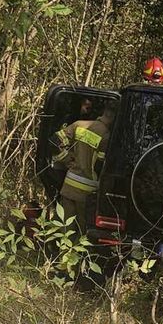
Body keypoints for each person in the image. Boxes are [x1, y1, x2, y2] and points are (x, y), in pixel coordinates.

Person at [55, 97, 115, 235]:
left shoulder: (79, 125)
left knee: (65, 229)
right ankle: (76, 256)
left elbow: (54, 142)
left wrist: (68, 160)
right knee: (82, 233)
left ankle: (59, 255)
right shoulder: (106, 136)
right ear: (114, 116)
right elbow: (100, 167)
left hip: (69, 186)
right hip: (88, 193)